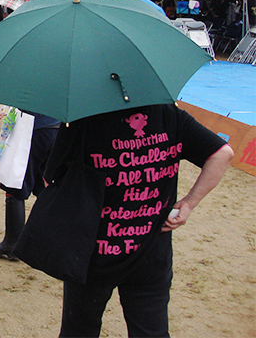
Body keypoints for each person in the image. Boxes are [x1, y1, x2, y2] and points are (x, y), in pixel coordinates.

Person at [41, 105, 234, 337]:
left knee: (78, 331)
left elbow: (50, 180)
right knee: (150, 332)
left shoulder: (84, 119)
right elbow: (222, 154)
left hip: (93, 251)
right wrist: (189, 202)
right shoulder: (170, 115)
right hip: (151, 252)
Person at [0, 112, 61, 259]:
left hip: (34, 127)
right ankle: (45, 240)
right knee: (43, 186)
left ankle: (12, 243)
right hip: (53, 125)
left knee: (16, 183)